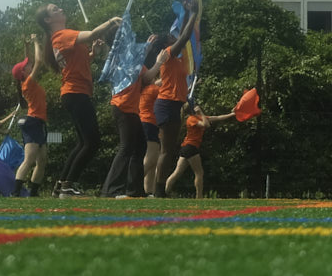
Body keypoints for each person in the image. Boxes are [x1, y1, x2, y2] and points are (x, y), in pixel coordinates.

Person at [38, 2, 124, 196]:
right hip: (76, 93)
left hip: (74, 93)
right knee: (92, 142)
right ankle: (69, 185)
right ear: (48, 20)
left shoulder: (59, 38)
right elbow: (93, 33)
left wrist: (93, 52)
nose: (61, 8)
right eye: (55, 9)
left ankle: (62, 184)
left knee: (83, 143)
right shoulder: (61, 35)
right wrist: (110, 21)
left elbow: (76, 63)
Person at [102, 38, 161, 199]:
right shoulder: (125, 60)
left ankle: (135, 191)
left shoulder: (134, 62)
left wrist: (148, 51)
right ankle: (111, 190)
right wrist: (159, 62)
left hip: (131, 110)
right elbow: (147, 77)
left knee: (140, 148)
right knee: (126, 148)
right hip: (123, 108)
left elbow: (144, 78)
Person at [149, 12, 199, 193]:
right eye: (171, 37)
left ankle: (160, 189)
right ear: (165, 44)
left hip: (173, 105)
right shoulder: (168, 53)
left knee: (168, 150)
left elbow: (181, 36)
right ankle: (158, 190)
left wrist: (186, 13)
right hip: (167, 104)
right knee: (166, 151)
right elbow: (184, 37)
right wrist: (194, 14)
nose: (174, 38)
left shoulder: (175, 58)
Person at [164, 99, 239, 200]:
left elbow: (217, 118)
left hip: (187, 147)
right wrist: (201, 113)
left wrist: (232, 114)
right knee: (199, 173)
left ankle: (164, 192)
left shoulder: (198, 118)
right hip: (191, 147)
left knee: (177, 172)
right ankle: (199, 197)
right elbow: (206, 125)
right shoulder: (191, 119)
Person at [10, 46, 50, 197]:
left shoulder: (27, 82)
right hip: (33, 122)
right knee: (30, 159)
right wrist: (36, 42)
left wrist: (26, 46)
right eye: (27, 66)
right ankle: (15, 192)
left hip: (39, 122)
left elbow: (31, 62)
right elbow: (39, 61)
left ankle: (33, 193)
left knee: (42, 160)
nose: (30, 65)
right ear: (24, 72)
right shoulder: (28, 83)